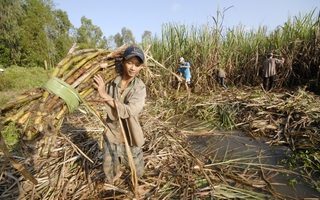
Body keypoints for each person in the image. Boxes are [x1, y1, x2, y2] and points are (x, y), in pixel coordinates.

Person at [93, 45, 146, 184]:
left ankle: (135, 181)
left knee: (137, 170)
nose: (133, 68)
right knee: (109, 166)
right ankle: (113, 179)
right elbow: (98, 89)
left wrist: (105, 96)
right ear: (122, 62)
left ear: (142, 67)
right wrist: (100, 89)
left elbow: (129, 111)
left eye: (137, 64)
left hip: (131, 134)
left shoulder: (139, 87)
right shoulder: (111, 82)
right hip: (112, 131)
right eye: (130, 63)